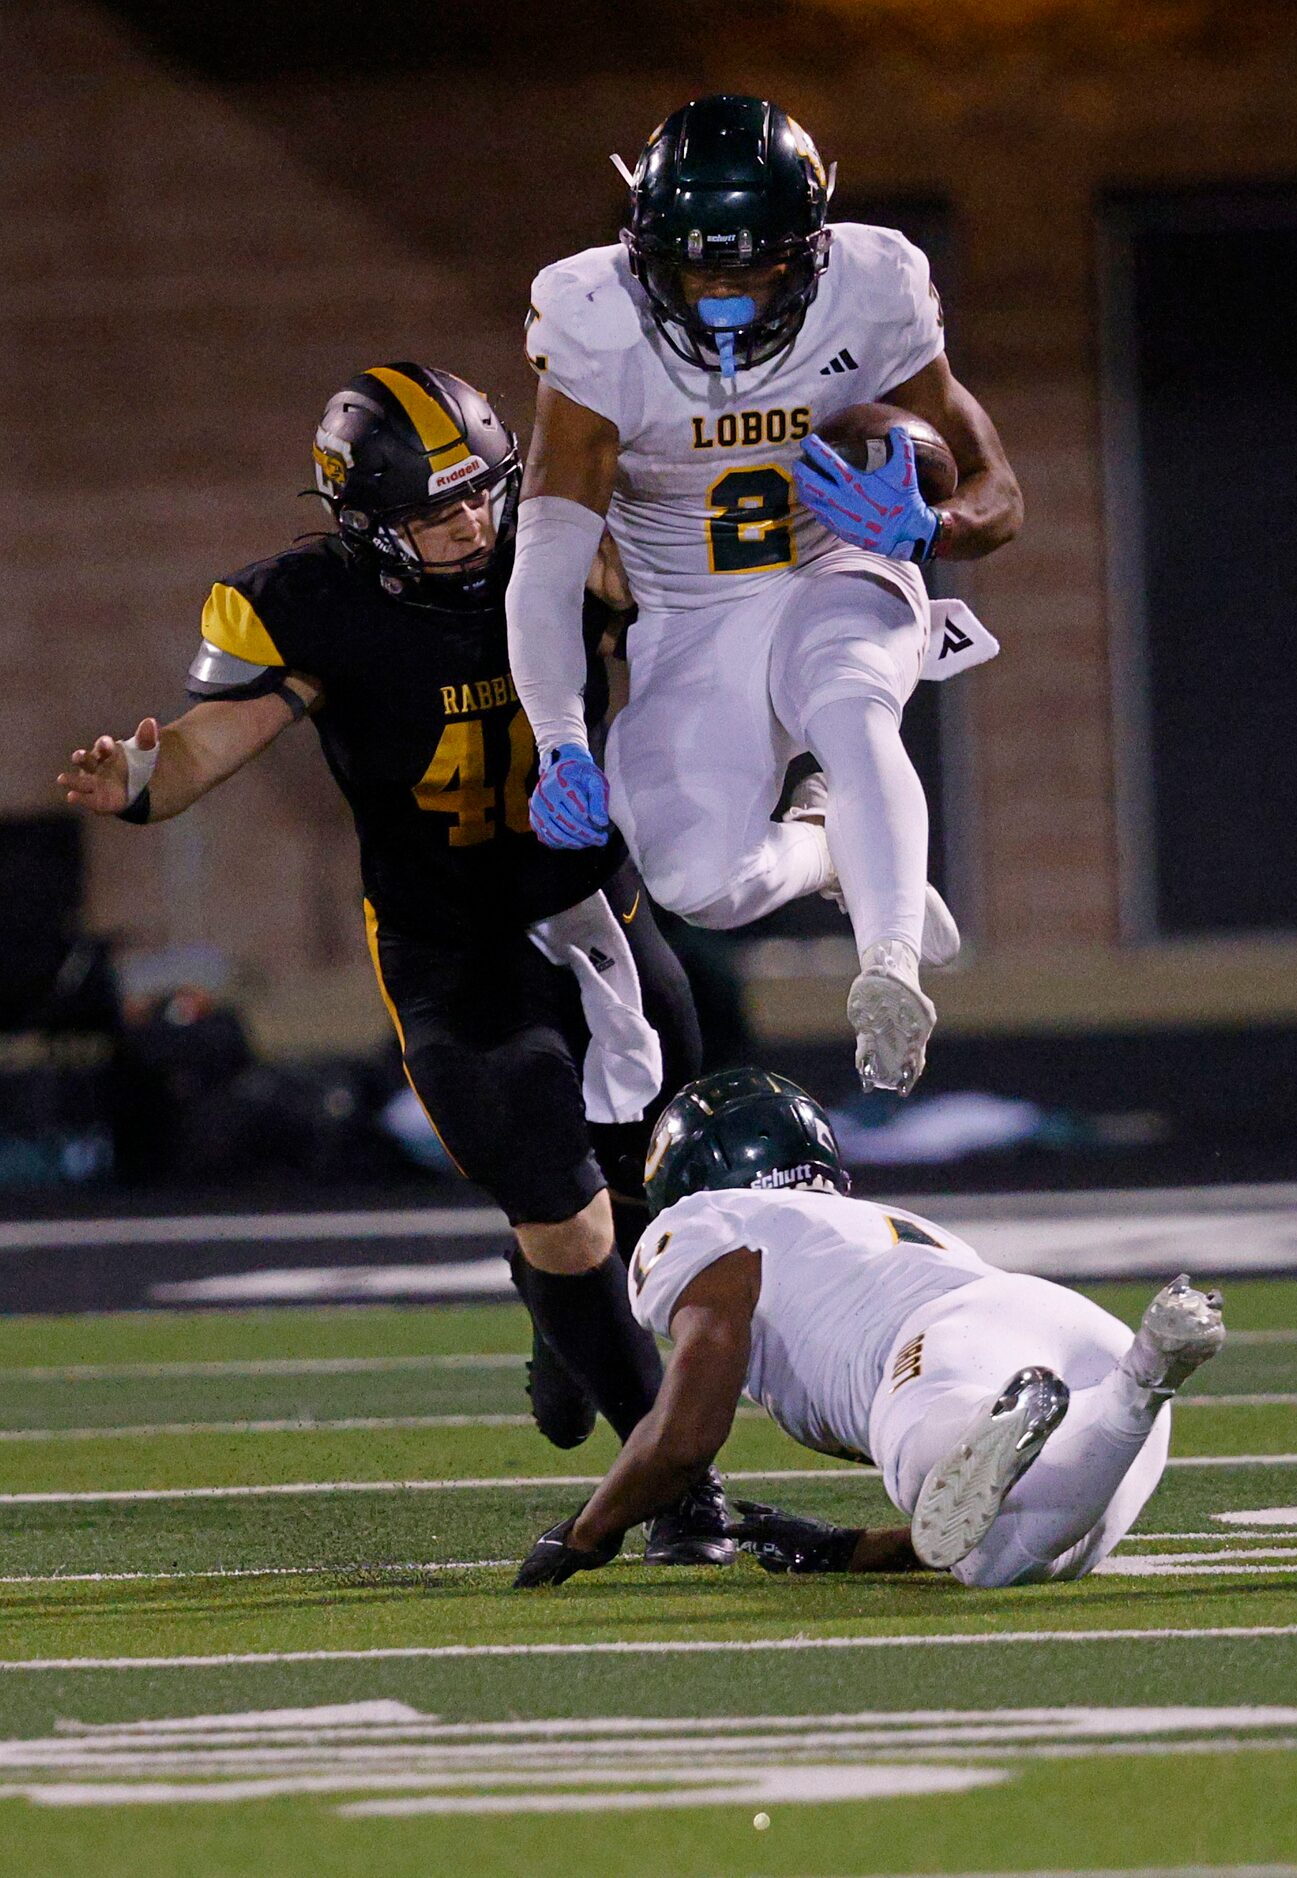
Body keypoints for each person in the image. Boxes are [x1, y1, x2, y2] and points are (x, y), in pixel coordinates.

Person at [59, 361, 732, 1566]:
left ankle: (557, 1316)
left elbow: (706, 629)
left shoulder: (567, 543)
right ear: (363, 527)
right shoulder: (312, 605)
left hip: (593, 909)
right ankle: (677, 1488)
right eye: (432, 512)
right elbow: (218, 736)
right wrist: (147, 785)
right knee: (569, 1215)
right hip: (445, 943)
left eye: (479, 495)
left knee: (651, 1181)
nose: (468, 525)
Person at [506, 94, 1023, 1095]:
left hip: (834, 565)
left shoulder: (873, 288)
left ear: (811, 249)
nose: (721, 299)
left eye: (751, 268)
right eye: (696, 268)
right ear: (645, 251)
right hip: (688, 616)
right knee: (698, 882)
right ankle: (826, 847)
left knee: (852, 702)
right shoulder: (595, 320)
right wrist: (560, 738)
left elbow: (998, 491)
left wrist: (932, 530)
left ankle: (889, 970)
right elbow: (550, 556)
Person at [514, 1067, 1226, 1588]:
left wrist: (585, 1536)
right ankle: (1138, 1386)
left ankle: (1111, 1394)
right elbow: (959, 1514)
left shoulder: (706, 1221)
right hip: (1058, 1324)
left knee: (943, 1480)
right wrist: (843, 1548)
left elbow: (687, 1438)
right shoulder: (871, 1224)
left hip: (942, 1342)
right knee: (1013, 1557)